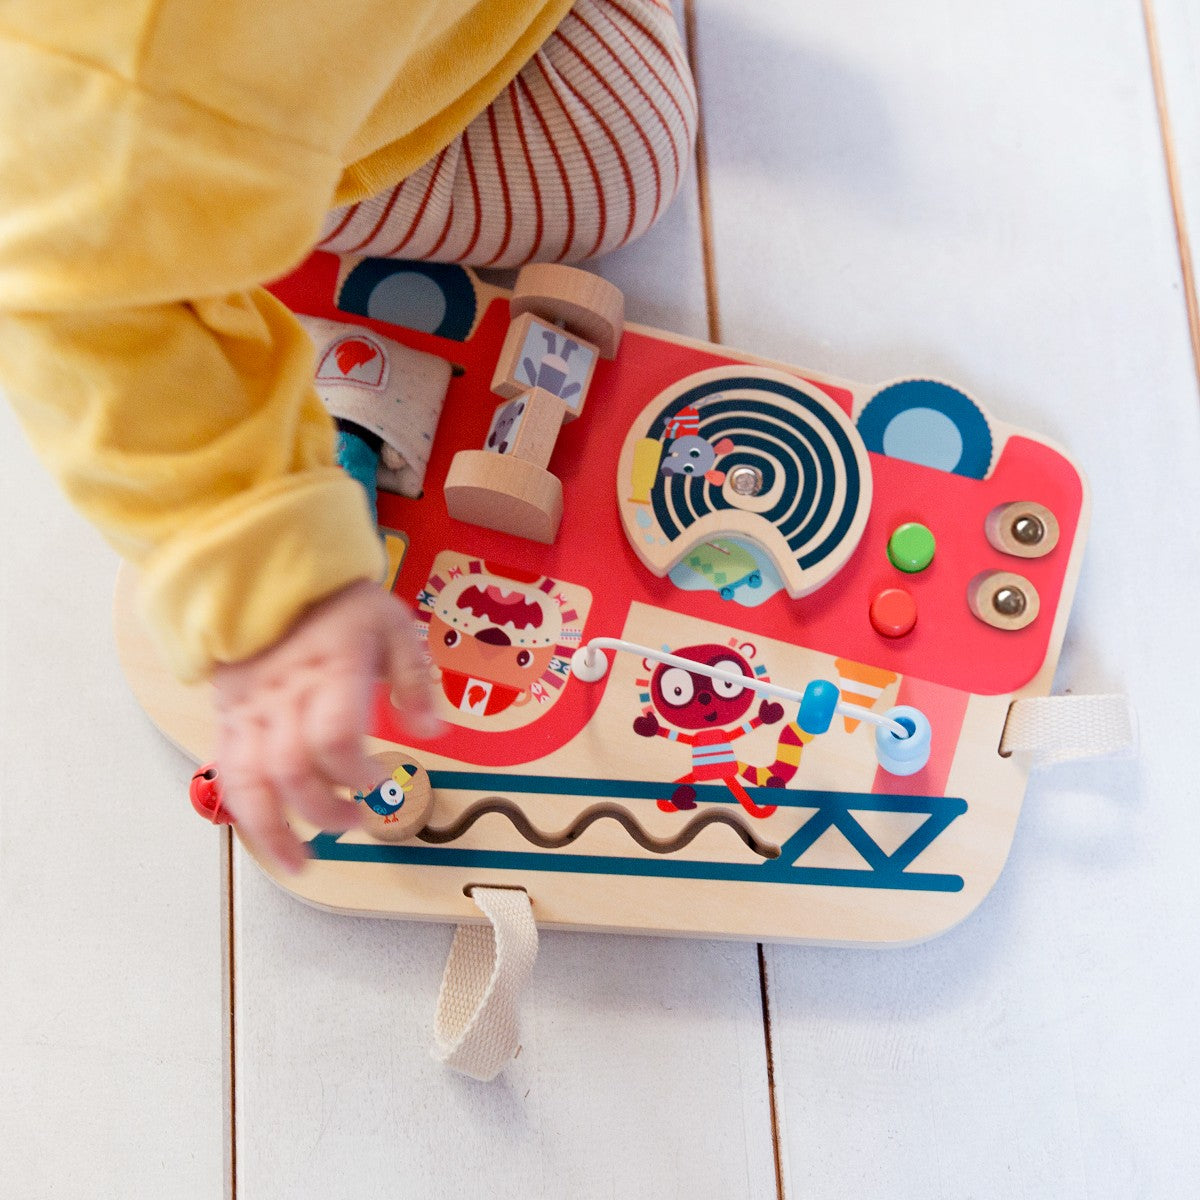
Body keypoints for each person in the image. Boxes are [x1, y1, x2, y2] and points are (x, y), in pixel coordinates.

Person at [0, 0, 696, 872]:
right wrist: (261, 571)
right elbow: (71, 305)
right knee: (624, 150)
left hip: (394, 59)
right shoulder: (93, 97)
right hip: (293, 108)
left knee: (626, 145)